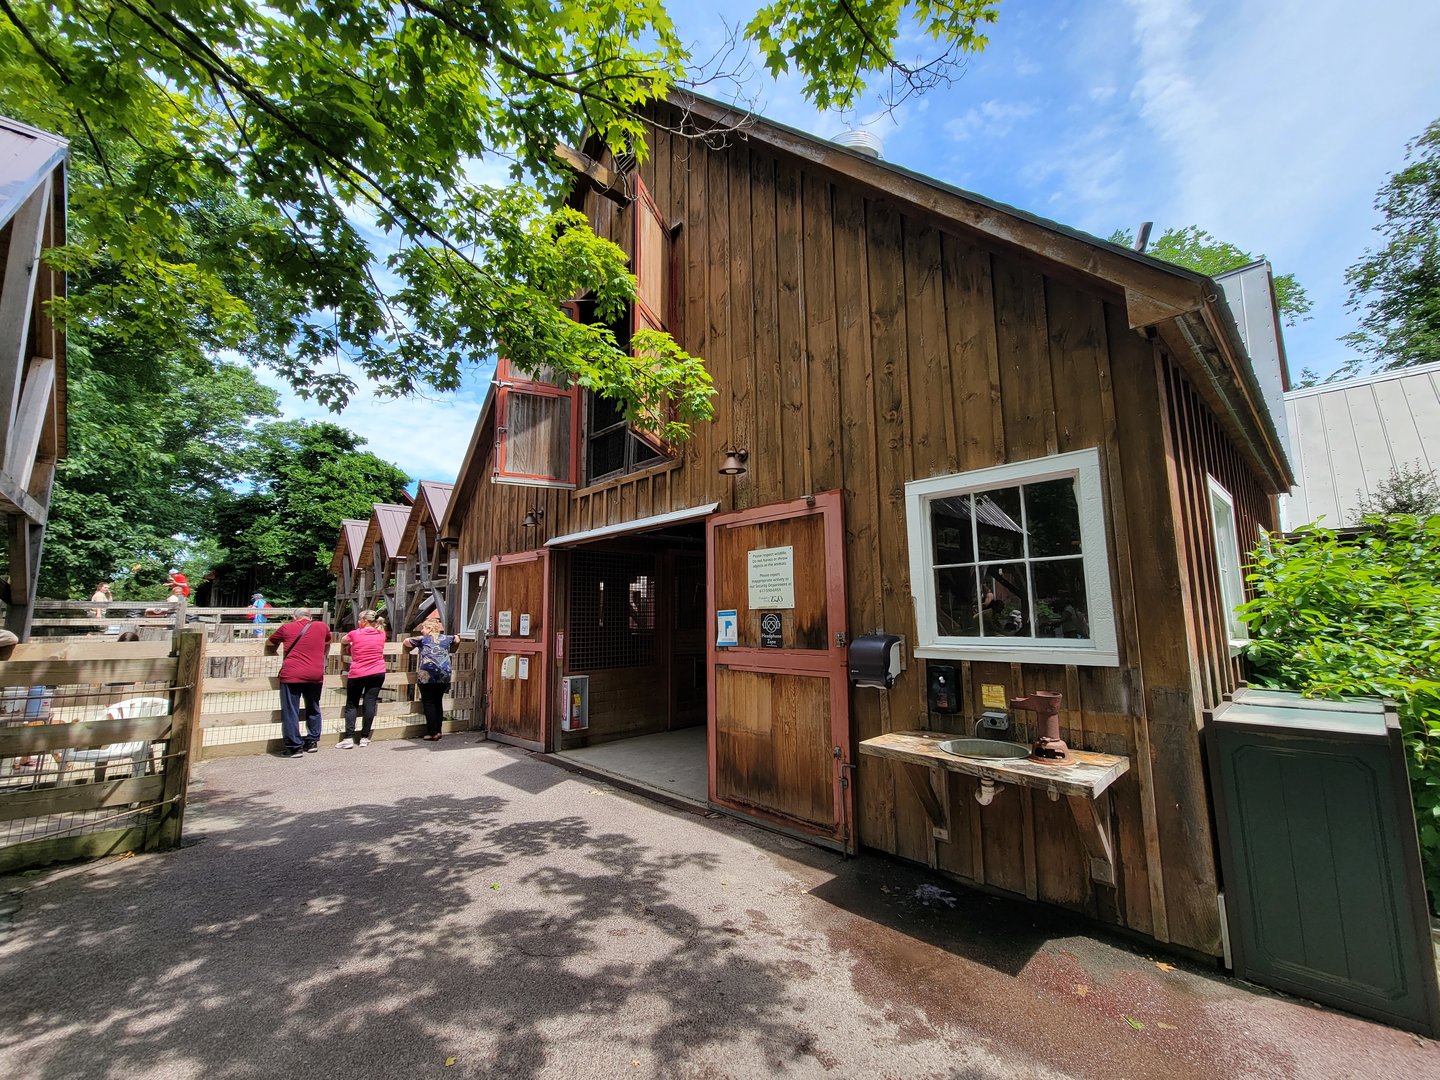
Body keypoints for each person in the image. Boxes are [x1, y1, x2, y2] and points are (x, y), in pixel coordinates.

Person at [265, 609, 332, 758]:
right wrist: (322, 655)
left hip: (292, 674)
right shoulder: (322, 626)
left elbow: (269, 642)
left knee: (290, 710)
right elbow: (328, 641)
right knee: (313, 706)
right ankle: (312, 741)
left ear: (294, 617)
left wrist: (273, 651)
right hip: (315, 673)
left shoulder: (286, 627)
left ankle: (294, 747)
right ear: (310, 617)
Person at [401, 614, 457, 741]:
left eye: (424, 628)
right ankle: (438, 730)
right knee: (438, 702)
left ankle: (432, 732)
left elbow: (406, 642)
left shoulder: (423, 639)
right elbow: (457, 639)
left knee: (429, 703)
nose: (422, 630)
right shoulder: (447, 638)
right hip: (444, 674)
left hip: (427, 675)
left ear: (430, 629)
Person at [338, 609, 387, 748]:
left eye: (359, 620)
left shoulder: (355, 633)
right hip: (378, 671)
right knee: (369, 703)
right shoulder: (381, 633)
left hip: (358, 672)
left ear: (364, 621)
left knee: (352, 704)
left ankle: (349, 737)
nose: (358, 622)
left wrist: (352, 645)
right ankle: (364, 737)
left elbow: (343, 640)